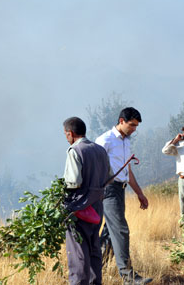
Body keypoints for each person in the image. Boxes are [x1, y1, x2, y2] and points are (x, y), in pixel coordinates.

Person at [96, 107, 152, 285]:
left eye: (136, 126)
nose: (134, 129)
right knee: (121, 230)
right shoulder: (105, 140)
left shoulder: (125, 141)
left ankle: (95, 268)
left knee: (109, 232)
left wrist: (140, 193)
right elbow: (93, 165)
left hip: (120, 190)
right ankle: (129, 277)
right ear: (121, 121)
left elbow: (127, 170)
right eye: (132, 125)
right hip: (108, 190)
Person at [63, 117, 110, 285]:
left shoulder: (75, 150)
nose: (66, 138)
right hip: (97, 207)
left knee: (78, 253)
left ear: (71, 133)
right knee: (94, 249)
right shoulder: (100, 150)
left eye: (66, 135)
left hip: (79, 209)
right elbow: (108, 177)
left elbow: (73, 182)